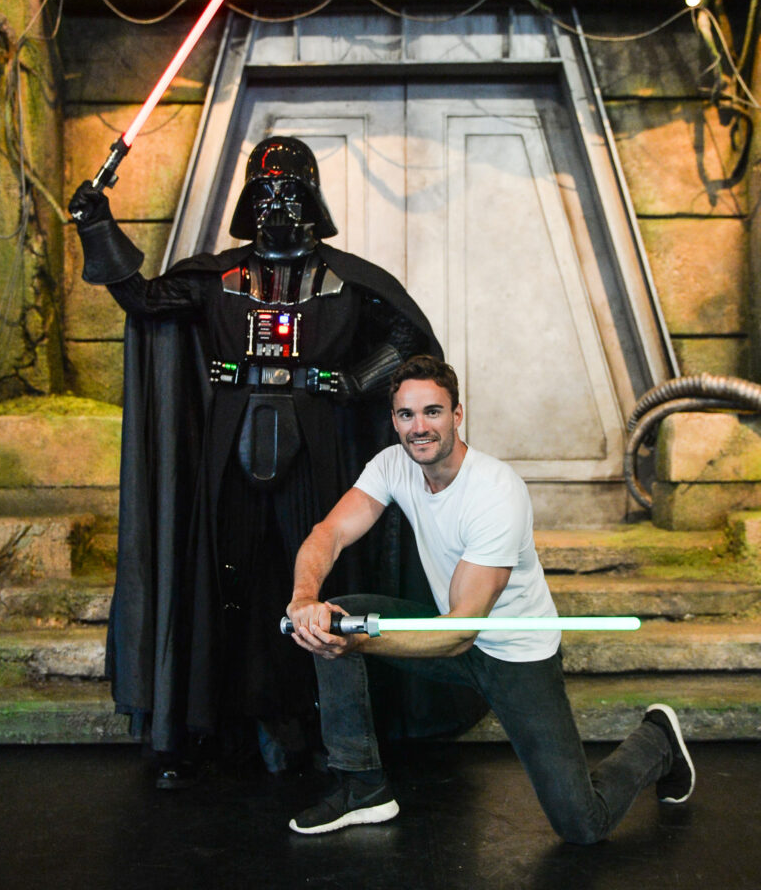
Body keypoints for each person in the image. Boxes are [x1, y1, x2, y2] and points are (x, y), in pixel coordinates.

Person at [68, 137, 481, 786]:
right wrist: (97, 225)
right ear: (247, 201)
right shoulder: (219, 279)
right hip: (230, 454)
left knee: (322, 588)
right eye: (266, 193)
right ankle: (220, 728)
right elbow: (145, 301)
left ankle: (326, 731)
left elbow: (410, 340)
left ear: (313, 202)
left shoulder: (348, 282)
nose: (278, 206)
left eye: (290, 193)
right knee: (227, 587)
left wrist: (348, 382)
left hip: (318, 451)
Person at [285, 354, 696, 841]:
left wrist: (353, 642)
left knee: (582, 825)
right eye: (406, 415)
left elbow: (461, 632)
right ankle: (362, 789)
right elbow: (328, 533)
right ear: (393, 420)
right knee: (331, 620)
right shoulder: (393, 464)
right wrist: (303, 600)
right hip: (452, 634)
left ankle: (658, 740)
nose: (419, 427)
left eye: (433, 412)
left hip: (513, 654)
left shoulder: (496, 492)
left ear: (458, 415)